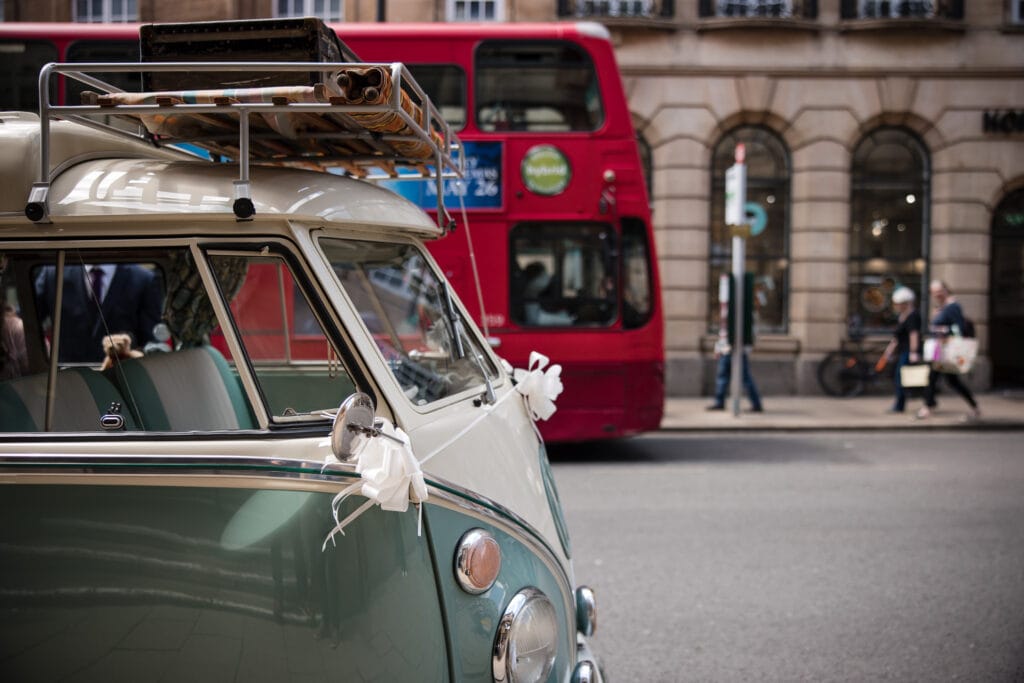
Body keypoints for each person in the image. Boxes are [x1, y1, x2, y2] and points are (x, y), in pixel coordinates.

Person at [34, 263, 163, 363]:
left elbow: (151, 340)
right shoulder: (52, 274)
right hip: (67, 381)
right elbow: (28, 323)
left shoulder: (143, 279)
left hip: (124, 380)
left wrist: (129, 347)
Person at [916, 279, 980, 420]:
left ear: (946, 290)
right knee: (937, 379)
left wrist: (943, 330)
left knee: (945, 380)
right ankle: (929, 406)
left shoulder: (953, 307)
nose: (937, 295)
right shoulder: (942, 307)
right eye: (934, 292)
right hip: (940, 350)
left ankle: (929, 407)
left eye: (939, 291)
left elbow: (959, 328)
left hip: (947, 350)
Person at [878, 286, 922, 413]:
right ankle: (901, 403)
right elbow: (897, 337)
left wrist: (914, 352)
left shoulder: (913, 316)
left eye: (899, 304)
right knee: (900, 377)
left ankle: (900, 405)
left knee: (901, 378)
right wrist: (889, 351)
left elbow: (914, 335)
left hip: (908, 352)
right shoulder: (902, 316)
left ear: (906, 303)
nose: (896, 306)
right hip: (902, 351)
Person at [707, 338, 763, 412]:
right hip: (727, 349)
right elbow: (723, 335)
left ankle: (756, 404)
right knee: (722, 378)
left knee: (744, 378)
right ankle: (719, 402)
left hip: (736, 349)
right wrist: (718, 349)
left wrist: (718, 350)